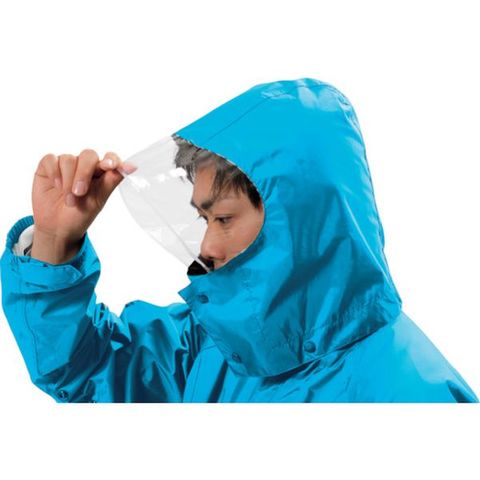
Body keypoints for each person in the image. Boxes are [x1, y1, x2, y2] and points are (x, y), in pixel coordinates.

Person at [0, 77, 478, 402]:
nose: (207, 246)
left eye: (223, 218)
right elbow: (88, 372)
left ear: (300, 222)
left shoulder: (417, 396)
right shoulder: (219, 343)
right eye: (204, 219)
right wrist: (54, 242)